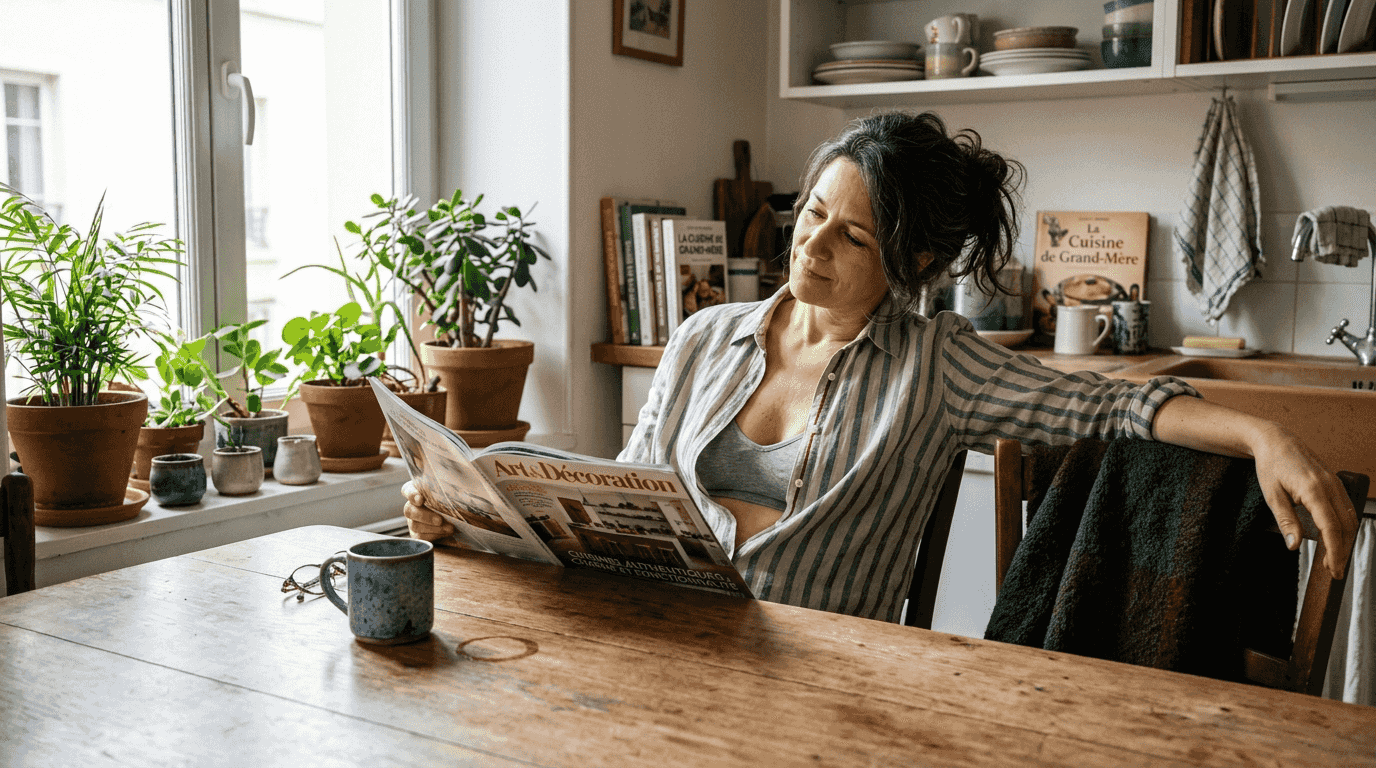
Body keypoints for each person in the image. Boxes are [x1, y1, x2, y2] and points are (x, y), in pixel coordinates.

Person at [405, 111, 1358, 623]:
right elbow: (629, 490)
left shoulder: (934, 365)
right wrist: (482, 512)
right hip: (659, 634)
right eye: (812, 213)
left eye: (851, 235)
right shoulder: (705, 337)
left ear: (914, 265)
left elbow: (1105, 407)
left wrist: (1261, 430)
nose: (812, 246)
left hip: (815, 676)